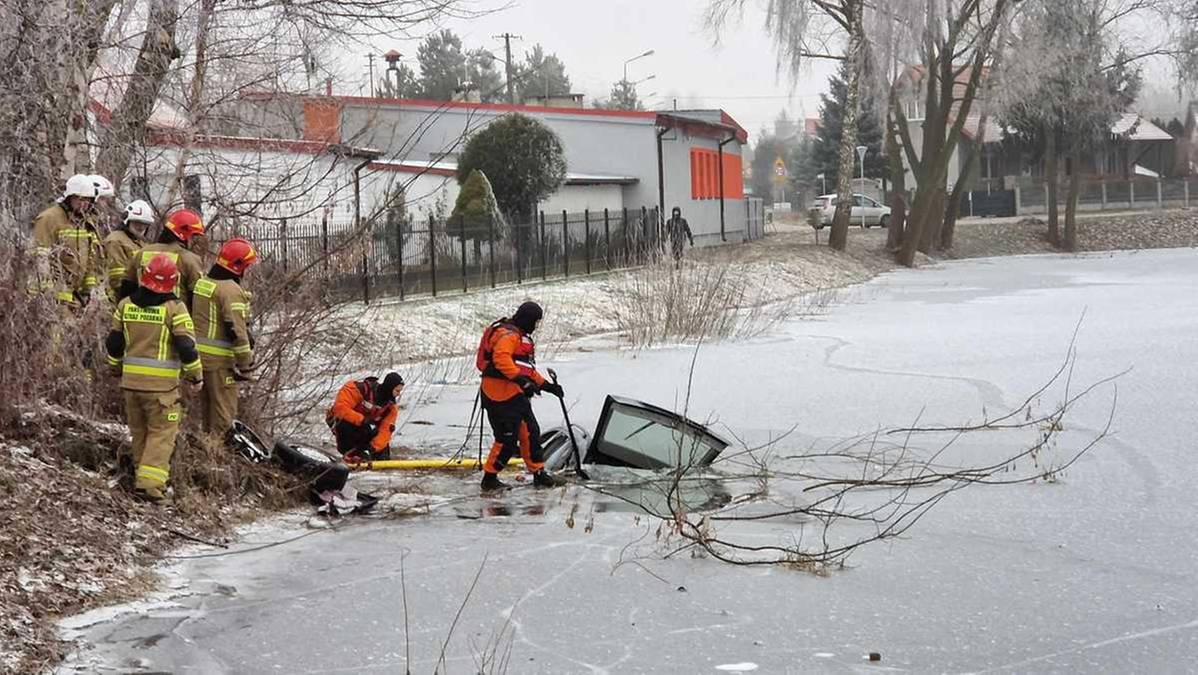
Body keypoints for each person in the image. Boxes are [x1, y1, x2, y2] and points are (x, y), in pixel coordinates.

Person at [105, 254, 203, 503]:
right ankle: (150, 487)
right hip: (161, 389)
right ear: (174, 281)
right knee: (161, 435)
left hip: (131, 385)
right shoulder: (175, 308)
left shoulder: (125, 305)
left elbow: (114, 343)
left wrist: (115, 367)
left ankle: (142, 477)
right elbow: (186, 346)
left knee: (140, 433)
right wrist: (195, 376)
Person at [476, 301, 565, 491]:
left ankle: (539, 473)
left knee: (530, 432)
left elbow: (526, 368)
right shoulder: (509, 336)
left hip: (514, 395)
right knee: (506, 439)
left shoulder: (518, 336)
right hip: (499, 395)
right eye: (536, 322)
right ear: (528, 319)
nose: (536, 326)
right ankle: (489, 479)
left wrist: (547, 386)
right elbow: (501, 359)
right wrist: (520, 381)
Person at [192, 238, 257, 436]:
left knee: (208, 416)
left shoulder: (204, 283)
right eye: (246, 266)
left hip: (200, 360)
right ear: (238, 266)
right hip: (220, 363)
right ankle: (219, 457)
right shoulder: (231, 290)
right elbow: (237, 332)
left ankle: (208, 455)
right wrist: (246, 365)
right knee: (223, 419)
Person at [31, 174, 101, 306]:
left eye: (88, 200)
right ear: (69, 197)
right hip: (51, 296)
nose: (84, 204)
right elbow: (40, 258)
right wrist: (49, 293)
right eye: (80, 199)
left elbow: (90, 260)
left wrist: (87, 291)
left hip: (75, 297)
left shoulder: (85, 222)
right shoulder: (49, 218)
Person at [119, 208, 205, 307]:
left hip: (139, 318)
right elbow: (198, 299)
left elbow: (126, 288)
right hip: (174, 318)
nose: (194, 241)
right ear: (184, 235)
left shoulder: (141, 253)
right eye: (193, 236)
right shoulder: (190, 259)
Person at [325, 372, 404, 462]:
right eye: (397, 391)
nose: (398, 394)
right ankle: (351, 453)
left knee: (383, 457)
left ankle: (364, 453)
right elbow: (340, 409)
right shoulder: (360, 389)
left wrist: (372, 448)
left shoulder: (391, 408)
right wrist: (362, 421)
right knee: (346, 425)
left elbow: (385, 431)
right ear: (389, 388)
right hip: (344, 424)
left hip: (367, 429)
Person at [103, 200, 153, 301]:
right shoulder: (115, 240)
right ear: (127, 221)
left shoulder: (143, 243)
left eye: (145, 223)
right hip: (119, 298)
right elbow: (116, 277)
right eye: (137, 222)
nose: (141, 227)